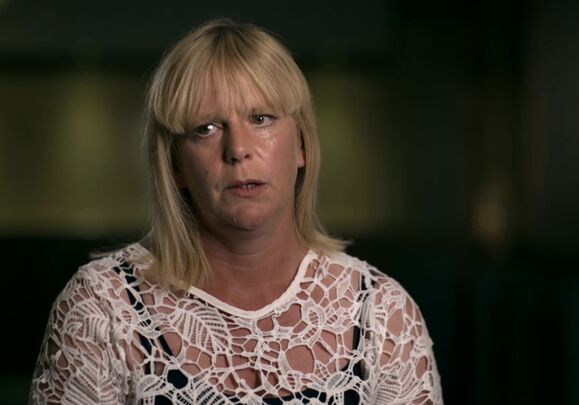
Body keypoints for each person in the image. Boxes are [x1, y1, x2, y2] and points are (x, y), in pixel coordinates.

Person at [30, 18, 442, 404]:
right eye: (206, 128)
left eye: (261, 118)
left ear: (301, 146)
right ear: (175, 165)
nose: (238, 149)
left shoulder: (382, 316)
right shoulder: (102, 309)